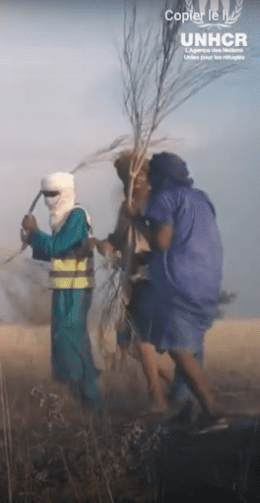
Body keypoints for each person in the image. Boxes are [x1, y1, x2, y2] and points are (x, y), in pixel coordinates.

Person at [133, 152, 227, 432]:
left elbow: (161, 241)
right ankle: (187, 409)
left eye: (152, 174)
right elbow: (187, 239)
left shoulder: (164, 198)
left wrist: (135, 220)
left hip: (180, 282)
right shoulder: (201, 197)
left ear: (161, 176)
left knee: (177, 345)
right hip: (208, 278)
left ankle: (212, 412)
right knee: (191, 343)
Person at [94, 153, 177, 414]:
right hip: (129, 283)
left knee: (142, 340)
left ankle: (158, 399)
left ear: (147, 174)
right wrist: (102, 245)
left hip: (149, 280)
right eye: (128, 177)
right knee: (124, 341)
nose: (135, 181)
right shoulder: (125, 207)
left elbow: (163, 241)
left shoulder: (157, 202)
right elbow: (117, 239)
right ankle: (174, 383)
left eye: (140, 175)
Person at [20, 172, 102, 412]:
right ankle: (86, 401)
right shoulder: (62, 219)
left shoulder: (76, 215)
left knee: (70, 341)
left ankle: (90, 401)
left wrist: (34, 232)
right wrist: (31, 239)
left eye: (53, 194)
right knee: (66, 342)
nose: (48, 200)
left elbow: (58, 246)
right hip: (65, 288)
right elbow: (55, 251)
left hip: (75, 289)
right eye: (45, 194)